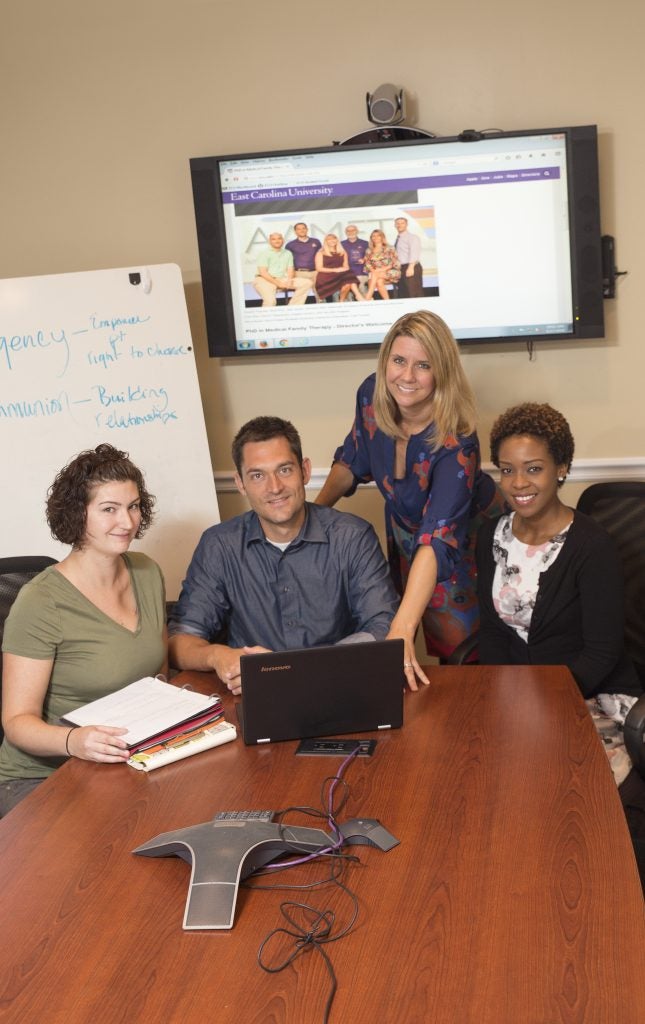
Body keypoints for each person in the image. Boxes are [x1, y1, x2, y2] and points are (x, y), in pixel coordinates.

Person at [316, 310, 501, 690]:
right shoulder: (371, 392)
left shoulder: (457, 439)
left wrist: (403, 626)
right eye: (399, 361)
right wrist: (310, 516)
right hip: (404, 529)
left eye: (423, 365)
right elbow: (354, 456)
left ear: (442, 372)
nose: (406, 376)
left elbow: (438, 537)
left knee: (458, 650)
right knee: (400, 633)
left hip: (464, 539)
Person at [169, 416, 398, 695]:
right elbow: (180, 641)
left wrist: (304, 670)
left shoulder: (352, 536)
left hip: (340, 687)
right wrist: (218, 656)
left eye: (285, 470)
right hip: (254, 696)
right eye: (257, 476)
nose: (274, 487)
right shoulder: (219, 545)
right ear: (240, 483)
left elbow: (384, 626)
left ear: (304, 471)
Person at [0, 444, 167, 815]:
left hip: (121, 763)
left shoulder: (147, 572)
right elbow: (16, 723)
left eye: (134, 506)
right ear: (78, 514)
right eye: (109, 509)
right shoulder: (40, 601)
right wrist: (75, 741)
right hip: (39, 778)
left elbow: (157, 676)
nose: (127, 522)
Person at [476, 402, 641, 698]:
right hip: (520, 698)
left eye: (534, 469)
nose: (518, 483)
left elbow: (601, 654)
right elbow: (492, 635)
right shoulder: (492, 536)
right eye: (507, 470)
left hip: (591, 696)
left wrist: (543, 701)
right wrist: (498, 697)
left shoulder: (592, 545)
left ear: (561, 468)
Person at [253, 232, 311, 306]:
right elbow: (263, 272)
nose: (277, 241)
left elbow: (290, 269)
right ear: (269, 241)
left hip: (281, 278)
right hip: (264, 279)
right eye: (273, 239)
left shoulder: (288, 253)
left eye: (279, 238)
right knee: (270, 302)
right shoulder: (264, 253)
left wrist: (289, 280)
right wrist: (278, 284)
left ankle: (293, 308)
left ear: (283, 240)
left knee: (307, 282)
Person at [314, 234, 366, 302]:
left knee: (348, 280)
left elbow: (346, 266)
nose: (332, 240)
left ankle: (341, 301)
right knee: (349, 276)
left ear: (337, 240)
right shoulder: (320, 253)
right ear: (325, 241)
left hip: (340, 275)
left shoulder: (343, 252)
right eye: (329, 239)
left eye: (333, 238)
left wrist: (342, 269)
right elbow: (319, 268)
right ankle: (358, 295)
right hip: (326, 276)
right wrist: (336, 270)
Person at [285, 221, 322, 295]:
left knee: (320, 295)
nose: (302, 230)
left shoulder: (316, 241)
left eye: (303, 228)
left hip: (315, 272)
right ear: (295, 231)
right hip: (299, 273)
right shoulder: (290, 245)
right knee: (300, 295)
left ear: (307, 229)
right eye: (299, 229)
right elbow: (287, 262)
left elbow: (321, 256)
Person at [363, 229, 401, 300]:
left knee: (374, 275)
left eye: (378, 236)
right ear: (371, 238)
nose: (376, 237)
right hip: (376, 273)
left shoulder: (390, 248)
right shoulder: (369, 250)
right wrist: (373, 270)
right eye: (373, 236)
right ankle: (387, 301)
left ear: (382, 237)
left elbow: (395, 262)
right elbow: (367, 264)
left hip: (391, 271)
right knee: (379, 281)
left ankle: (368, 296)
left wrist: (382, 269)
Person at [394, 217, 423, 298]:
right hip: (402, 268)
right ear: (395, 225)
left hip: (411, 267)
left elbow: (414, 252)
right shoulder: (398, 238)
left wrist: (410, 267)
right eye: (397, 223)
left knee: (413, 293)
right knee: (404, 294)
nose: (399, 225)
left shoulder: (412, 237)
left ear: (406, 224)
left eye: (402, 223)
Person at [341, 224, 369, 293]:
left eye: (353, 230)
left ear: (357, 231)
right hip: (346, 273)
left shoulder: (365, 243)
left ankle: (364, 302)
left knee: (361, 287)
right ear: (345, 232)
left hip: (361, 272)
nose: (350, 232)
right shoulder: (341, 244)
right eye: (348, 231)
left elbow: (370, 256)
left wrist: (364, 259)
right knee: (343, 288)